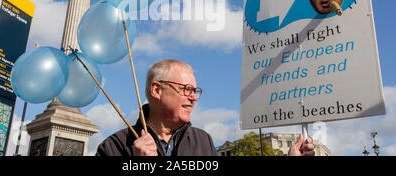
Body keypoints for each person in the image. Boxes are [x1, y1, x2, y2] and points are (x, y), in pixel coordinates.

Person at [96, 59, 315, 156]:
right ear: (156, 90)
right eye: (185, 89)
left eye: (195, 91)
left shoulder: (203, 141)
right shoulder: (114, 147)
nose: (193, 98)